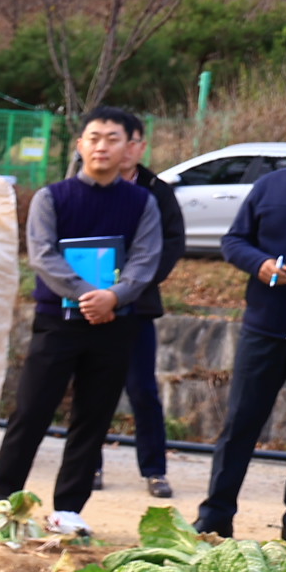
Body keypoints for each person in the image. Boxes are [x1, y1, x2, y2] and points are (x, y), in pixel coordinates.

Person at [0, 104, 166, 535]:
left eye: (113, 139)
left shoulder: (143, 203)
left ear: (129, 148)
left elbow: (146, 259)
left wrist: (115, 297)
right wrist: (90, 295)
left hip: (114, 324)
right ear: (81, 144)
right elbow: (42, 254)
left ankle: (69, 508)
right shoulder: (53, 197)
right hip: (57, 322)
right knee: (30, 412)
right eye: (95, 137)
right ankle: (1, 503)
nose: (102, 146)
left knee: (93, 416)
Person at [197, 99, 286, 542]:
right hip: (264, 330)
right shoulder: (269, 188)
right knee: (239, 427)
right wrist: (260, 264)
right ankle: (215, 517)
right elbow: (233, 241)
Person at [99, 109, 184, 499]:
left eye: (130, 142)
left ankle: (154, 470)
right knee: (92, 388)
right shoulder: (91, 186)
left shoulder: (157, 190)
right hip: (93, 304)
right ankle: (90, 465)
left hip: (139, 306)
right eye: (118, 141)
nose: (124, 150)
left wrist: (134, 286)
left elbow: (171, 245)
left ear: (139, 146)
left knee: (142, 390)